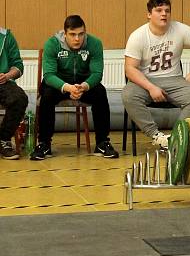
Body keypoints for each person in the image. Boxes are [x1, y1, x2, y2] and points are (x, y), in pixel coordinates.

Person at [122, 0, 190, 148]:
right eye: (159, 10)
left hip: (174, 79)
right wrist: (151, 87)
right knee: (128, 95)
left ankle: (178, 138)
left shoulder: (179, 29)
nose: (164, 14)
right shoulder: (138, 36)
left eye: (167, 11)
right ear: (149, 14)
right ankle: (157, 136)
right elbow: (130, 69)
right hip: (145, 81)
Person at [32, 15, 118, 160]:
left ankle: (102, 142)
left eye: (81, 34)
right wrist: (67, 88)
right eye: (72, 34)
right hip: (59, 84)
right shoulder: (52, 44)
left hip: (82, 84)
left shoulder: (95, 44)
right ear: (65, 34)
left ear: (85, 32)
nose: (77, 39)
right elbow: (49, 75)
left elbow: (97, 73)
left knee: (100, 92)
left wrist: (83, 87)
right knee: (46, 94)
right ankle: (44, 144)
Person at [0, 27, 27, 160]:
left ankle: (4, 140)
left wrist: (7, 75)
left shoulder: (6, 36)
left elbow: (18, 66)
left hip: (3, 82)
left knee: (19, 98)